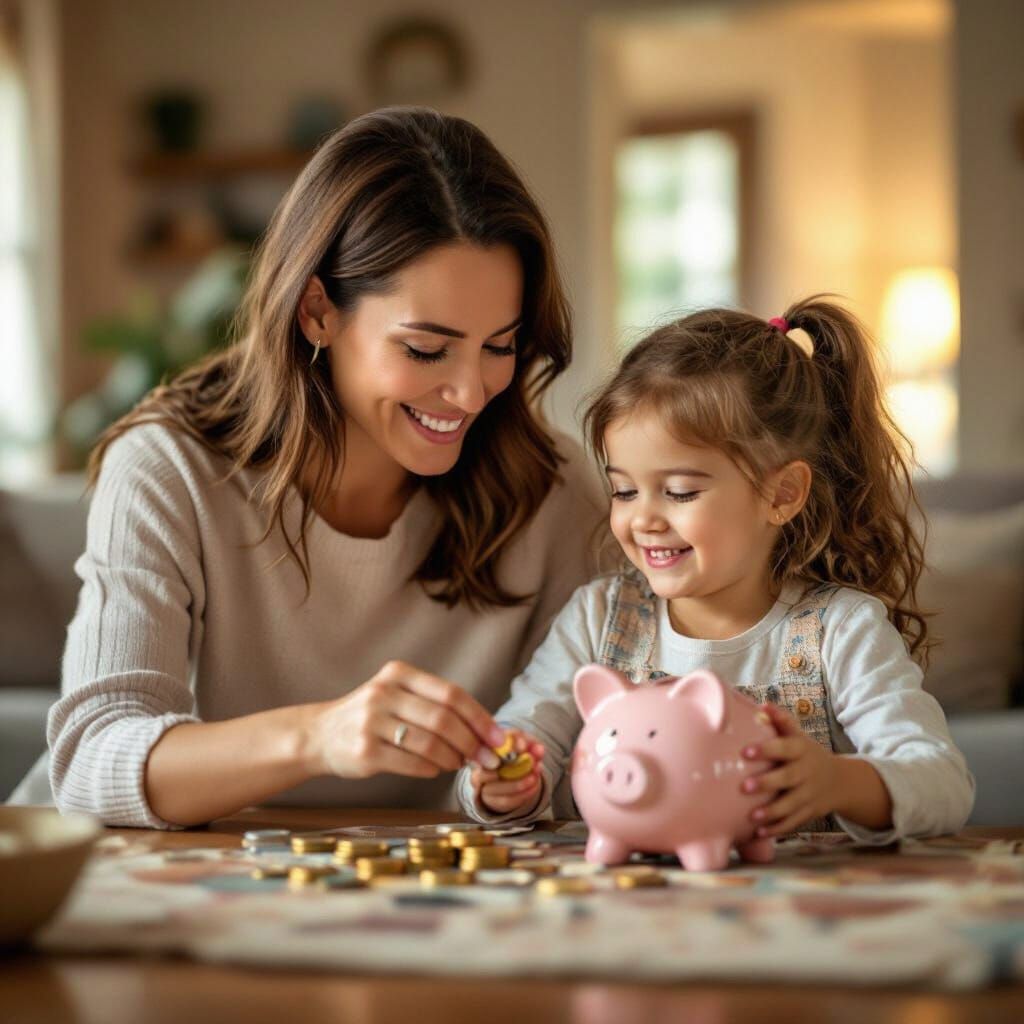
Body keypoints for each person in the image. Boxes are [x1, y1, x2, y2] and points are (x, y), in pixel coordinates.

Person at [32, 107, 607, 828]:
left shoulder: (552, 490)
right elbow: (90, 761)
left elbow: (611, 739)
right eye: (427, 349)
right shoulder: (166, 469)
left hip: (431, 896)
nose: (470, 392)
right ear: (316, 312)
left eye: (500, 345)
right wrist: (318, 737)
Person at [460, 298, 975, 843]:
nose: (644, 519)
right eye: (624, 490)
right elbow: (521, 737)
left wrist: (836, 782)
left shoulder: (841, 630)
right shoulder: (599, 618)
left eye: (680, 492)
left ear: (782, 494)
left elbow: (943, 783)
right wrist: (507, 781)